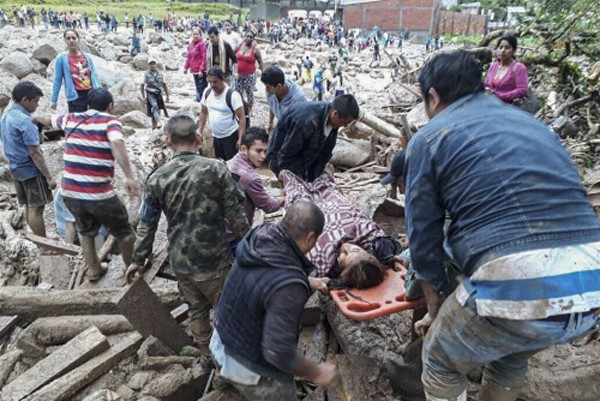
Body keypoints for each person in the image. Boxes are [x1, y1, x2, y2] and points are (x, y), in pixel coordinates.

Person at [407, 50, 600, 401]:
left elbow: (424, 235)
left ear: (432, 97)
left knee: (439, 359)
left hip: (518, 277)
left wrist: (434, 309)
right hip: (592, 285)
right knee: (511, 349)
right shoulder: (533, 125)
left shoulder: (431, 136)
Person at [126, 115, 249, 353]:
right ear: (199, 138)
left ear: (167, 141)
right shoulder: (216, 168)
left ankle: (206, 355)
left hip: (181, 262)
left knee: (196, 310)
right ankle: (234, 359)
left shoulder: (157, 178)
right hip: (215, 261)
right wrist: (252, 248)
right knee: (229, 310)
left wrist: (138, 260)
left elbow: (146, 224)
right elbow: (237, 215)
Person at [211, 202, 340, 400]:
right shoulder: (289, 286)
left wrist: (306, 280)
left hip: (219, 339)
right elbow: (278, 352)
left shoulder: (259, 235)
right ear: (310, 238)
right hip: (246, 366)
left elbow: (265, 277)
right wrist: (318, 372)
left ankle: (228, 380)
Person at [42, 88, 139, 282]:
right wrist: (129, 176)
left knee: (85, 230)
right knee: (125, 233)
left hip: (69, 191)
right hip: (98, 192)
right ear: (110, 106)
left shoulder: (71, 118)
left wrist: (34, 118)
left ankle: (94, 269)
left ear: (88, 105)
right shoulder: (110, 121)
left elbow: (49, 120)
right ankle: (131, 271)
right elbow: (117, 143)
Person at [0, 82, 56, 240]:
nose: (37, 105)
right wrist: (49, 177)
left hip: (15, 167)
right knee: (37, 208)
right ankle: (44, 245)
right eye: (36, 101)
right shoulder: (26, 121)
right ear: (25, 100)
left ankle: (39, 237)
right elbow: (35, 153)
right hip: (30, 170)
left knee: (28, 206)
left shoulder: (6, 115)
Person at [267, 94, 359, 182]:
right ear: (335, 114)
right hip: (281, 157)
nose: (344, 126)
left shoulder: (333, 121)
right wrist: (290, 178)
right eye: (344, 123)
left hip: (304, 157)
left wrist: (314, 178)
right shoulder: (306, 121)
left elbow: (325, 153)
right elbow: (287, 154)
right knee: (295, 191)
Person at [227, 127, 284, 226]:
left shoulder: (229, 163)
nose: (263, 156)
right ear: (244, 149)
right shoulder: (250, 177)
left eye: (265, 151)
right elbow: (269, 206)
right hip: (235, 233)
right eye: (258, 151)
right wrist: (285, 198)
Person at [198, 67, 246, 161]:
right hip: (216, 136)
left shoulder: (232, 95)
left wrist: (240, 139)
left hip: (231, 136)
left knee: (233, 166)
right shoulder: (207, 92)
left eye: (215, 82)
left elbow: (242, 118)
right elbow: (203, 112)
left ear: (222, 80)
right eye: (210, 82)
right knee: (220, 164)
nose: (212, 85)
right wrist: (200, 130)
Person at [51, 29, 101, 113]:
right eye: (68, 38)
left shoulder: (87, 57)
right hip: (75, 97)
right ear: (65, 40)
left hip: (91, 94)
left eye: (74, 38)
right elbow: (57, 80)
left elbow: (94, 76)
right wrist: (54, 100)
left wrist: (100, 92)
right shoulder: (61, 58)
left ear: (78, 39)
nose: (71, 41)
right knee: (77, 123)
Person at [484, 34, 529, 104]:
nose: (503, 50)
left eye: (507, 47)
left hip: (508, 108)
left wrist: (500, 95)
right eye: (500, 47)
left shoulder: (519, 68)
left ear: (514, 50)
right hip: (490, 105)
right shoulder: (493, 66)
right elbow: (487, 84)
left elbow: (522, 90)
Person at [260, 66, 307, 134]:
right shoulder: (271, 91)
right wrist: (271, 122)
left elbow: (302, 124)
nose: (266, 90)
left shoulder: (298, 99)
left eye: (268, 87)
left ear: (279, 86)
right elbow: (272, 104)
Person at [235, 31, 264, 115]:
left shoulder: (255, 50)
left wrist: (263, 73)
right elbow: (232, 56)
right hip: (238, 74)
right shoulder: (239, 46)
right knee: (238, 92)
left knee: (249, 92)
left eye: (250, 37)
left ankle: (249, 109)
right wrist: (232, 69)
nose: (248, 38)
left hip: (249, 75)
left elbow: (261, 62)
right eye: (247, 36)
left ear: (253, 39)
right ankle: (240, 108)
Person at [141, 57, 170, 130]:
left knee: (157, 109)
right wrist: (144, 97)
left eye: (153, 63)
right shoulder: (146, 74)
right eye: (151, 64)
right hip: (150, 94)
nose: (152, 65)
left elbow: (164, 84)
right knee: (154, 106)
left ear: (156, 64)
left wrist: (167, 95)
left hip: (159, 94)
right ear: (149, 65)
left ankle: (154, 126)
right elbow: (142, 85)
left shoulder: (160, 74)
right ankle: (159, 122)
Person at [183, 28, 207, 102]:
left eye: (197, 34)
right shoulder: (190, 44)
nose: (195, 36)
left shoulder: (202, 44)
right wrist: (185, 68)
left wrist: (201, 69)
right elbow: (189, 57)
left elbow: (204, 57)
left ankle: (202, 102)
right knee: (197, 86)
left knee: (202, 87)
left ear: (200, 35)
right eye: (194, 34)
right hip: (194, 69)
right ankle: (199, 100)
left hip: (201, 70)